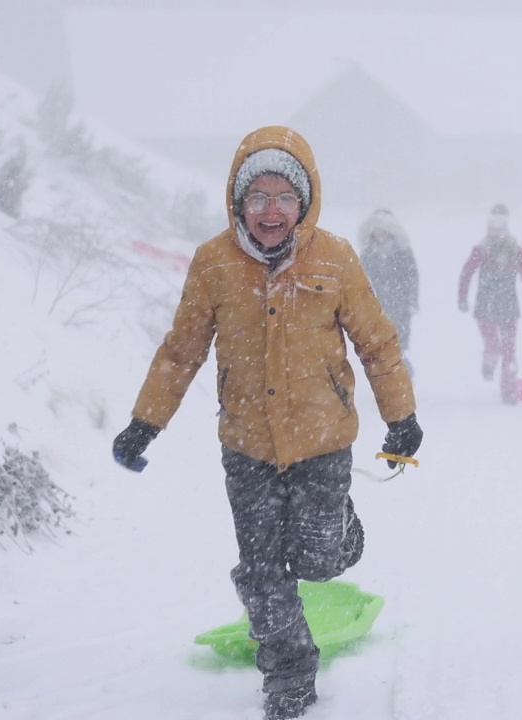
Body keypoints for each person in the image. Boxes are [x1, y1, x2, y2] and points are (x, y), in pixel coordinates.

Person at [110, 126, 423, 720]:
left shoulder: (334, 257)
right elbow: (182, 351)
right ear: (239, 203)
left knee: (317, 560)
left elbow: (378, 343)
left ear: (304, 202)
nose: (271, 210)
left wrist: (401, 418)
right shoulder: (213, 264)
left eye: (284, 197)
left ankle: (341, 533)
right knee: (260, 569)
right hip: (247, 446)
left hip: (323, 441)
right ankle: (288, 673)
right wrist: (144, 423)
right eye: (259, 198)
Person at [457, 203, 522, 404]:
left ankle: (508, 392)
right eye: (494, 229)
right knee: (493, 344)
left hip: (508, 307)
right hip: (485, 307)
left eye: (501, 228)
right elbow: (466, 273)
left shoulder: (516, 251)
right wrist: (462, 298)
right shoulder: (481, 250)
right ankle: (489, 361)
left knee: (509, 350)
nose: (497, 233)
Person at [358, 208, 419, 371]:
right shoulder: (367, 255)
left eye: (383, 231)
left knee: (398, 341)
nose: (380, 236)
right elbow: (359, 280)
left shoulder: (403, 252)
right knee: (380, 343)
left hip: (400, 304)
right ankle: (391, 374)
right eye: (377, 232)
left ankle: (402, 372)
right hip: (377, 305)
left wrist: (412, 299)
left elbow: (412, 276)